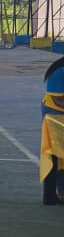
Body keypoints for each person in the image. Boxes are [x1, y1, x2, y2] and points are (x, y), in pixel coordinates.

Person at [43, 55, 64, 204]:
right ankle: (52, 195)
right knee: (55, 155)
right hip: (54, 115)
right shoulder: (59, 71)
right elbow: (58, 99)